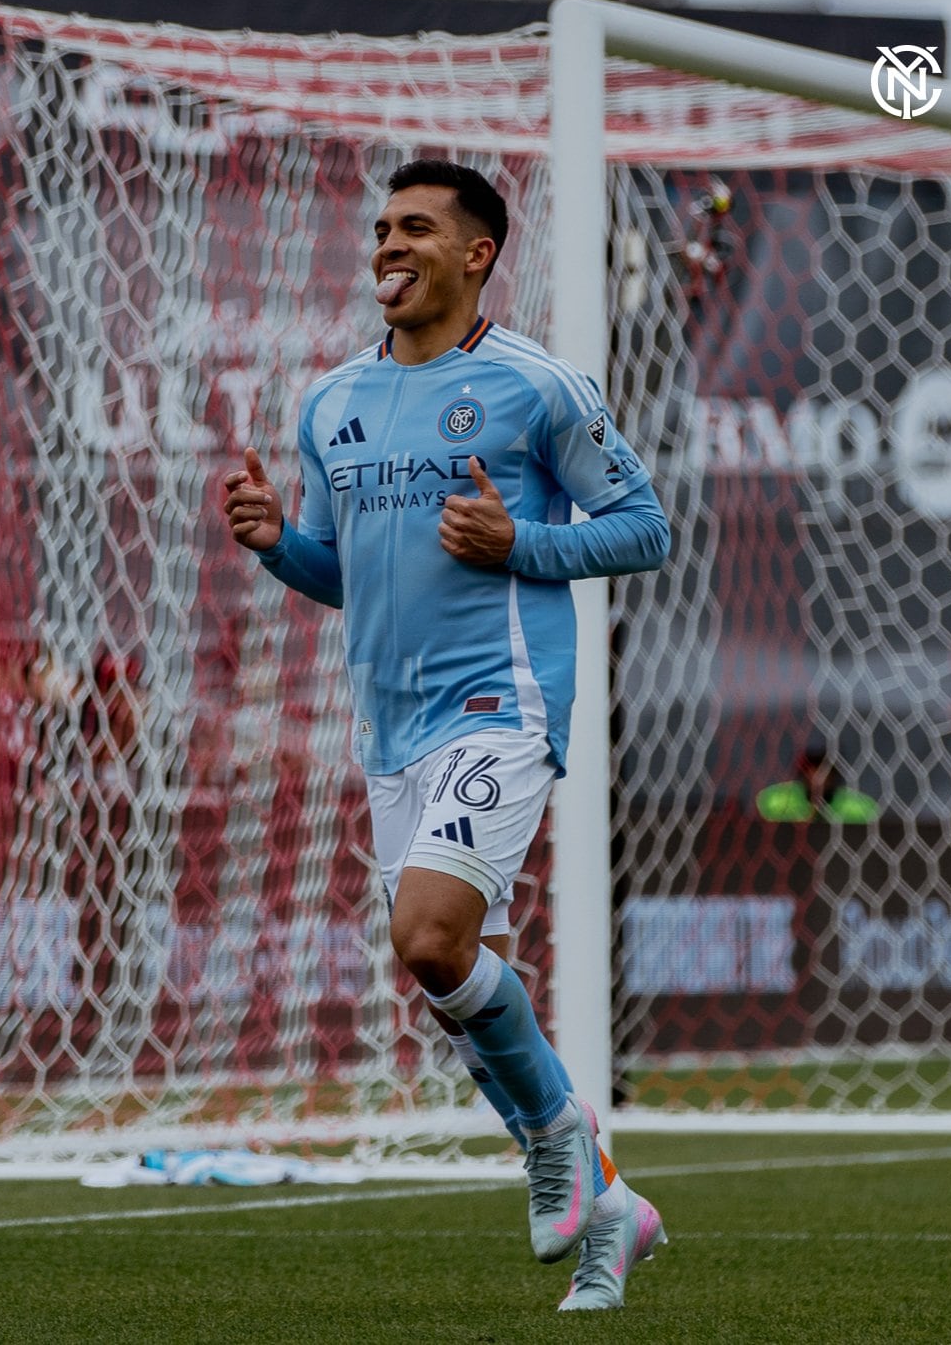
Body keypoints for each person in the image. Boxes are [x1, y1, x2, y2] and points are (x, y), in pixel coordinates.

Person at [223, 159, 671, 1311]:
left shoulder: (537, 387)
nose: (389, 243)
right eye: (381, 226)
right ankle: (608, 1206)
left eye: (416, 226)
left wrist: (520, 542)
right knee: (444, 973)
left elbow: (644, 528)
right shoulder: (333, 400)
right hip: (392, 730)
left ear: (477, 255)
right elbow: (344, 577)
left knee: (429, 937)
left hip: (501, 702)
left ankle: (554, 1152)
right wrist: (280, 542)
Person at [756, 737, 879, 823]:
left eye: (824, 765)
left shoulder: (860, 808)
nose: (816, 774)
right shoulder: (774, 802)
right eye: (809, 766)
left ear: (836, 771)